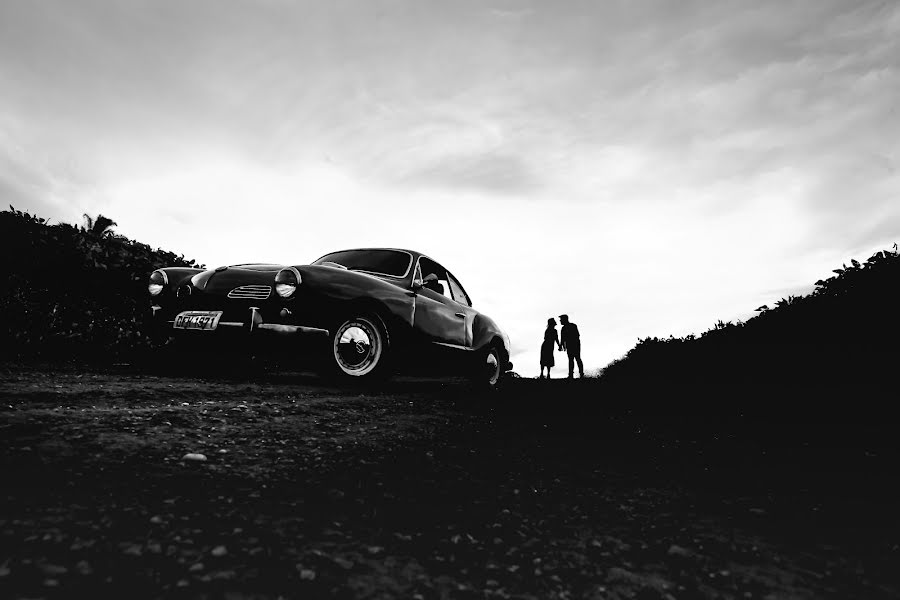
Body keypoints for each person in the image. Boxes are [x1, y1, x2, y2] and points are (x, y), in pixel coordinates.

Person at [559, 314, 584, 378]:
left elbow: (577, 335)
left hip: (574, 345)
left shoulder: (571, 326)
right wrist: (562, 346)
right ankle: (572, 374)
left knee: (576, 359)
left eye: (561, 320)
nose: (560, 321)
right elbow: (562, 338)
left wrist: (562, 345)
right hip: (571, 345)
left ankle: (579, 374)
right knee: (573, 359)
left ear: (565, 319)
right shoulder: (565, 328)